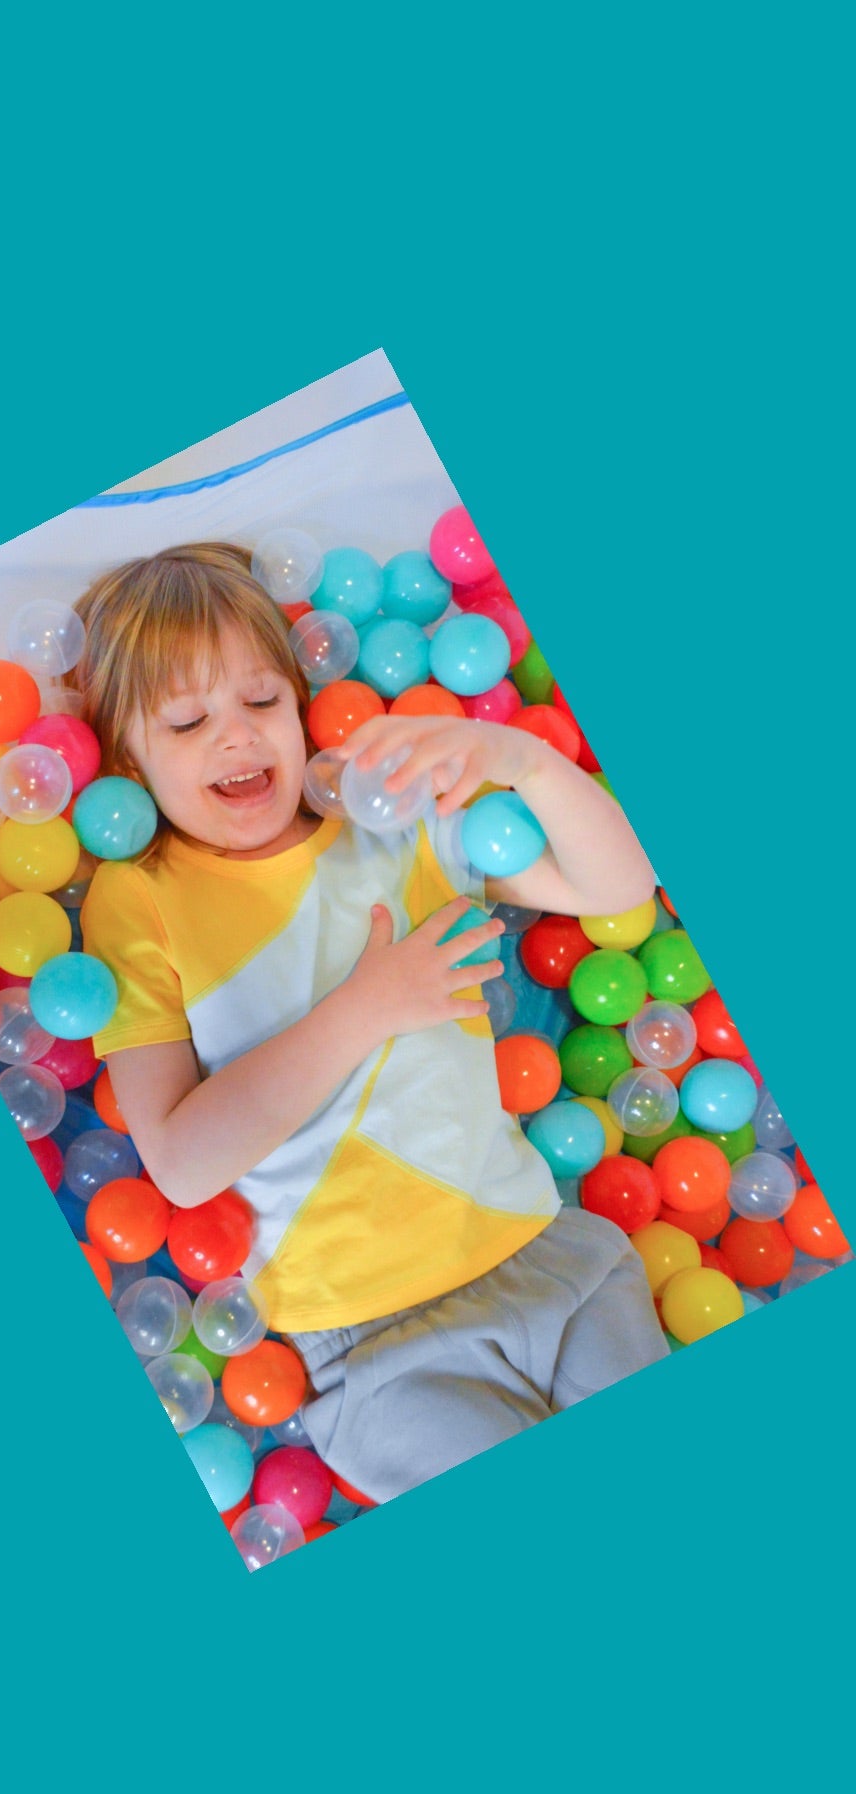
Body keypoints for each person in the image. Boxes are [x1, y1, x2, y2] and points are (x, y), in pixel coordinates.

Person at [78, 540, 669, 1505]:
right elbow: (183, 1161)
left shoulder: (390, 819)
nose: (236, 736)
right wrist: (367, 1007)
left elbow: (618, 884)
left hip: (553, 1261)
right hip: (380, 1349)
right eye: (187, 721)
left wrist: (520, 760)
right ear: (125, 763)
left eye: (263, 701)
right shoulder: (139, 897)